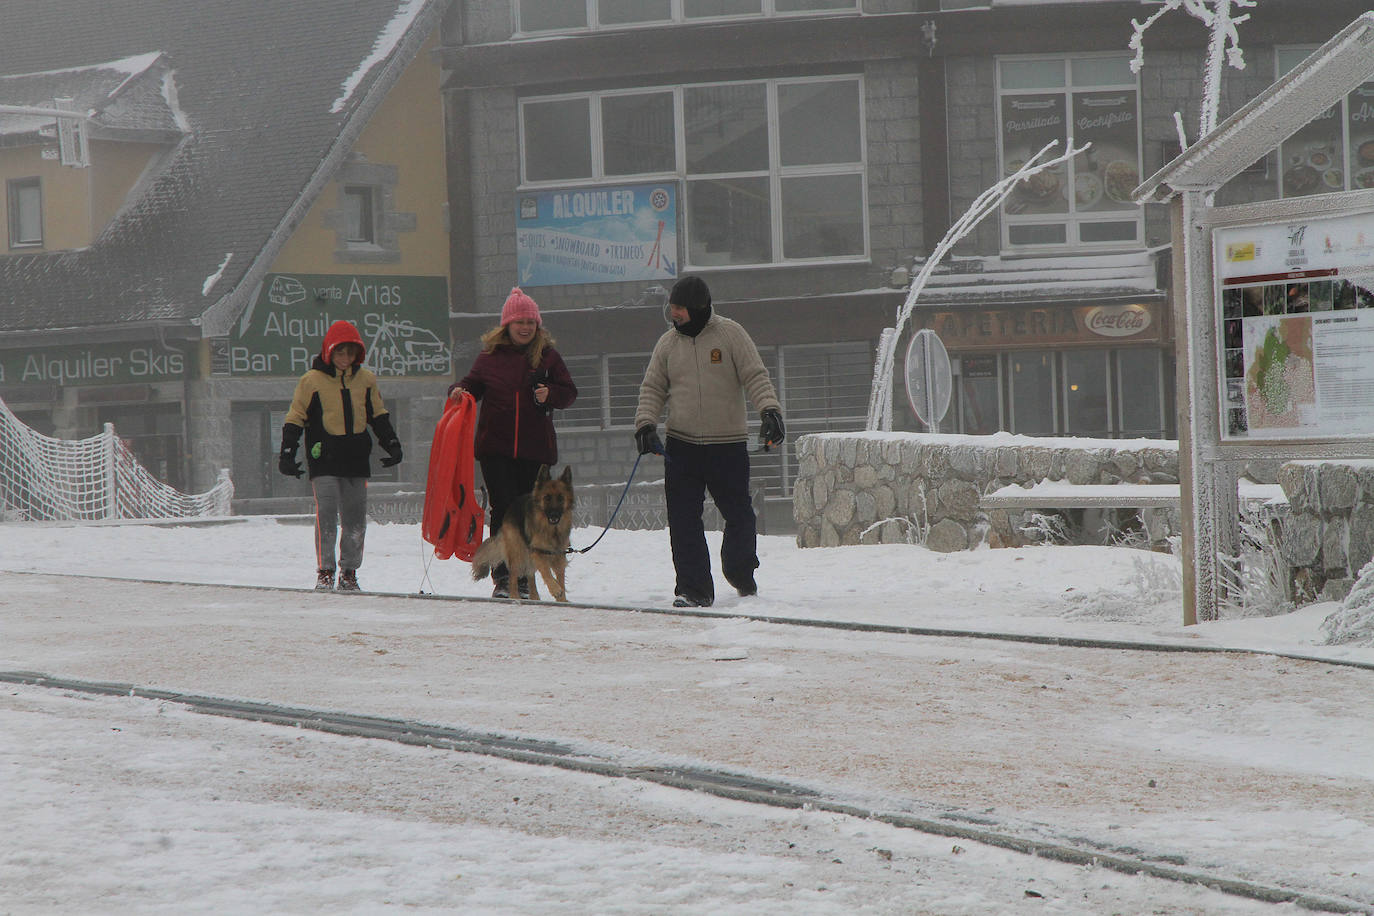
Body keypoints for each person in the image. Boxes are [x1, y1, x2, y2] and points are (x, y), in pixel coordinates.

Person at [634, 275, 785, 608]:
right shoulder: (667, 344)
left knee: (740, 515)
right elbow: (653, 388)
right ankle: (694, 589)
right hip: (681, 447)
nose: (673, 314)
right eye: (671, 308)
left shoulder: (731, 334)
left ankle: (739, 571)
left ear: (699, 308)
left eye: (679, 308)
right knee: (683, 521)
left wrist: (770, 411)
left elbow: (755, 375)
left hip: (727, 446)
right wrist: (645, 425)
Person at [448, 287, 577, 598]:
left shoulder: (548, 357)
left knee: (531, 515)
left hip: (536, 451)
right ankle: (505, 578)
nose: (525, 327)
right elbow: (471, 385)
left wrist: (551, 394)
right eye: (520, 322)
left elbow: (569, 393)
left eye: (530, 322)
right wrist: (458, 390)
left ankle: (527, 579)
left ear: (537, 326)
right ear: (507, 325)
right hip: (496, 449)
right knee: (504, 511)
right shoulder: (489, 357)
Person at [278, 319, 402, 592]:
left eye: (351, 353)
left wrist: (392, 444)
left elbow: (378, 415)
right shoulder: (311, 381)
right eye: (340, 352)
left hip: (356, 458)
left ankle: (349, 572)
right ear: (329, 352)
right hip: (324, 457)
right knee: (327, 513)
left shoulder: (366, 380)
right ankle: (325, 571)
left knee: (355, 518)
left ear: (358, 354)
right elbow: (296, 416)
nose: (345, 359)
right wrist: (287, 453)